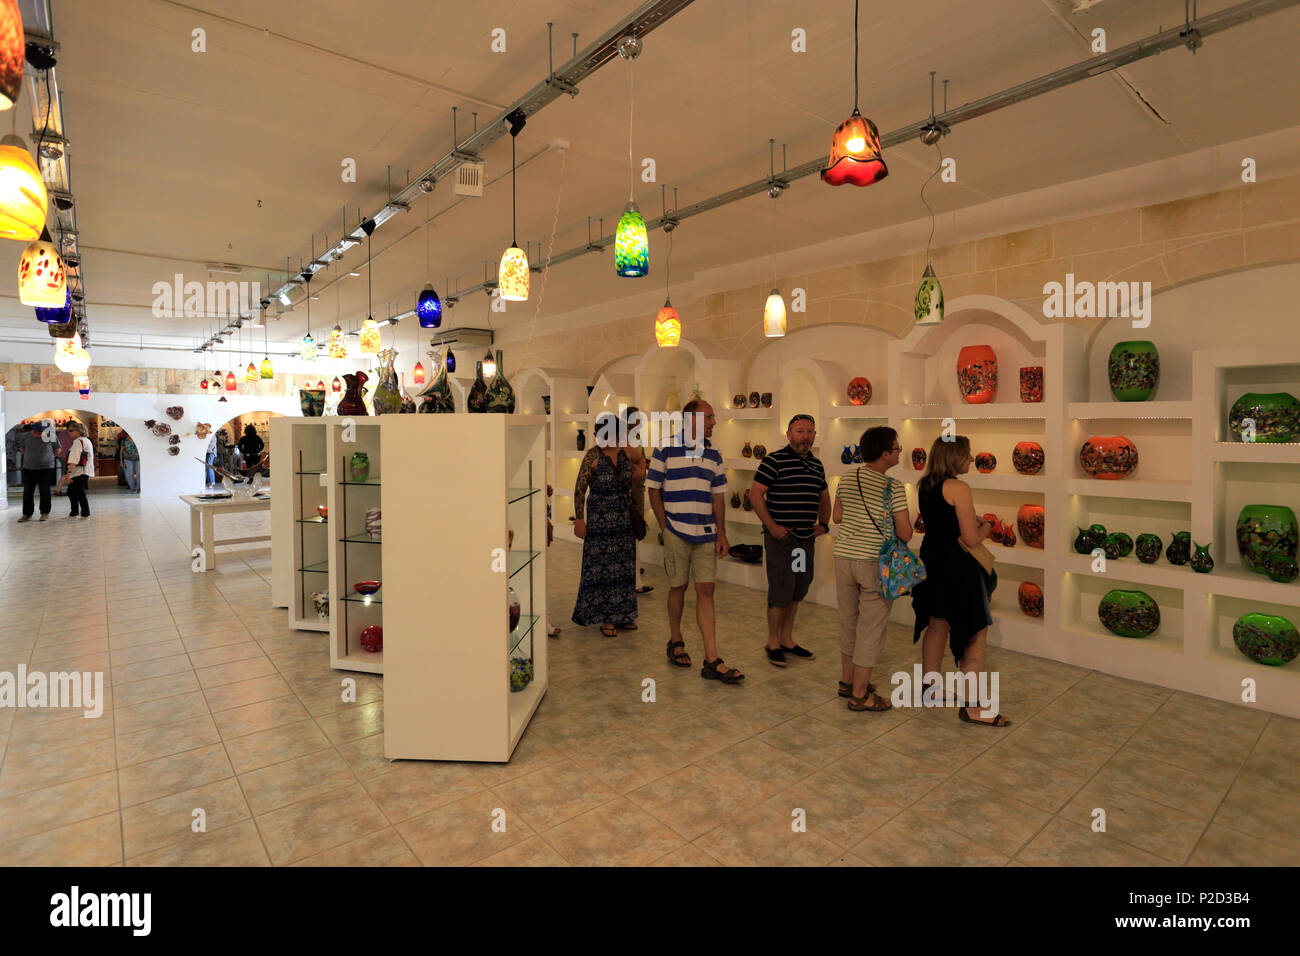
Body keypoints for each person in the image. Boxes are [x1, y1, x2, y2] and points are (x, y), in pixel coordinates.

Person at [910, 435, 1009, 727]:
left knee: (937, 623)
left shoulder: (925, 485)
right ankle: (973, 707)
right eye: (967, 454)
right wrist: (987, 527)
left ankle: (930, 688)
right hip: (958, 567)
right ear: (954, 457)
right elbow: (969, 537)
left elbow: (940, 525)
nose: (971, 459)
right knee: (974, 633)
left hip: (933, 560)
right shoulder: (959, 488)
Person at [646, 398, 742, 684]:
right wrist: (664, 526)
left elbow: (719, 495)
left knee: (706, 591)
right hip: (676, 529)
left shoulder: (714, 454)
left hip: (706, 533)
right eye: (709, 417)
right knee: (678, 587)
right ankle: (676, 641)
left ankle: (712, 658)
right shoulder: (665, 447)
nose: (714, 422)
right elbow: (653, 488)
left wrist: (722, 532)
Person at [832, 426, 911, 711]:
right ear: (885, 453)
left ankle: (847, 680)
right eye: (897, 447)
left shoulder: (847, 476)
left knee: (849, 622)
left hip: (843, 557)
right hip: (874, 562)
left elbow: (837, 516)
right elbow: (905, 533)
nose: (900, 451)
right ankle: (861, 694)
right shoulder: (893, 487)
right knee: (871, 628)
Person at [750, 413, 830, 666]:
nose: (805, 436)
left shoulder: (816, 465)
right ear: (789, 434)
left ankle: (787, 638)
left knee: (797, 588)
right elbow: (755, 495)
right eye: (800, 431)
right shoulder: (773, 460)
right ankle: (773, 641)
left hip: (804, 541)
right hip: (782, 541)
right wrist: (771, 526)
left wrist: (824, 524)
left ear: (814, 436)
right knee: (781, 589)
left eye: (810, 432)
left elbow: (824, 496)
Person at [571, 412, 638, 636]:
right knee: (602, 569)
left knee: (624, 567)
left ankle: (624, 614)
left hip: (623, 518)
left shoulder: (626, 452)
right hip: (600, 518)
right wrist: (579, 519)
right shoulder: (593, 456)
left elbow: (639, 466)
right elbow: (579, 489)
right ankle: (606, 617)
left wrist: (639, 471)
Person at [623, 406, 654, 595]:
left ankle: (635, 572)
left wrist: (644, 463)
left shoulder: (633, 437)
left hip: (637, 490)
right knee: (633, 532)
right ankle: (634, 579)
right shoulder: (626, 439)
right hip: (632, 492)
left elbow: (638, 460)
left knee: (635, 532)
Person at [16, 421, 56, 522]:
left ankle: (45, 513)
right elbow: (22, 449)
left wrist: (47, 458)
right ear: (32, 430)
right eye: (37, 433)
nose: (39, 435)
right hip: (29, 468)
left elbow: (57, 450)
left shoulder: (51, 435)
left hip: (46, 468)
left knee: (44, 490)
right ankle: (27, 514)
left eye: (41, 433)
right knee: (28, 491)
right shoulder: (25, 436)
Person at [59, 420, 94, 518]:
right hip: (84, 470)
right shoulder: (86, 440)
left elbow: (74, 458)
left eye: (71, 430)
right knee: (73, 492)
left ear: (78, 431)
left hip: (79, 471)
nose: (69, 432)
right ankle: (75, 512)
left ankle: (83, 513)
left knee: (78, 492)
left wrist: (68, 473)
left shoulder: (78, 441)